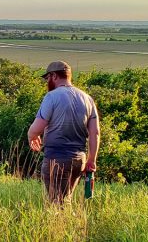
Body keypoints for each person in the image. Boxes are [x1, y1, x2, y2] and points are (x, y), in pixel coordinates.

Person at [27, 61, 100, 206]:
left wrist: (32, 137)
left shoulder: (51, 97)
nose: (47, 82)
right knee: (66, 200)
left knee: (56, 202)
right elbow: (95, 133)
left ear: (54, 76)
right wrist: (92, 160)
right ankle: (70, 225)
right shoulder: (87, 98)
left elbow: (36, 128)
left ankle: (59, 227)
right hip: (80, 159)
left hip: (56, 158)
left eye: (47, 78)